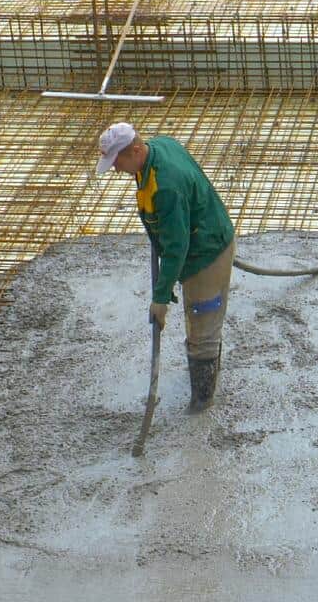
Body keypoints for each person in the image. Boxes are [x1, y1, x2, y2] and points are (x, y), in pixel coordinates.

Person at [96, 122, 236, 413]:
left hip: (207, 253)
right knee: (199, 322)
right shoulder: (159, 146)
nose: (116, 170)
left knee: (202, 327)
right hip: (201, 232)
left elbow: (176, 249)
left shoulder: (167, 187)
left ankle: (202, 402)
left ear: (135, 150)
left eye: (117, 162)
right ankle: (204, 381)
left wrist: (161, 298)